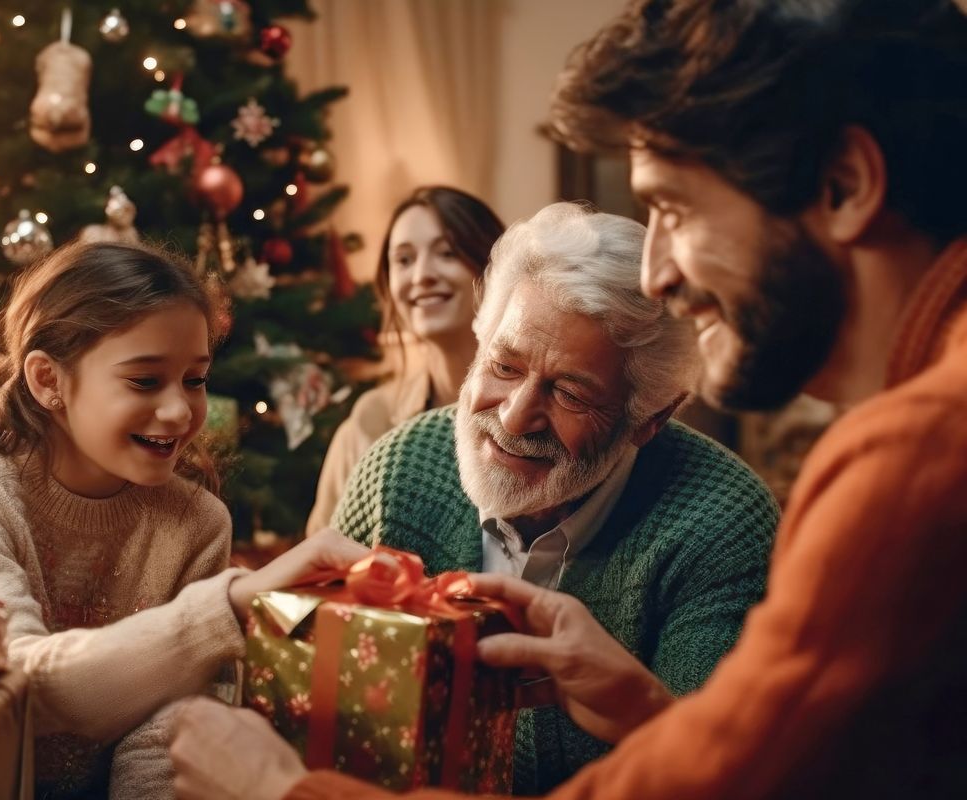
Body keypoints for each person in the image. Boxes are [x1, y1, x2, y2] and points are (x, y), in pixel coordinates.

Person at [165, 0, 967, 798]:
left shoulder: (914, 460)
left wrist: (281, 792)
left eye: (674, 208)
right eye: (506, 365)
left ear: (845, 185)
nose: (660, 274)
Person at [0, 240, 369, 799]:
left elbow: (169, 730)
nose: (181, 411)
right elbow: (18, 695)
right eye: (144, 380)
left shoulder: (197, 522)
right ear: (47, 381)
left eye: (195, 379)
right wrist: (230, 605)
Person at [328, 203, 777, 791]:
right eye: (505, 366)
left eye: (569, 393)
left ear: (649, 419)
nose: (515, 419)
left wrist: (636, 707)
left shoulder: (722, 526)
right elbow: (322, 700)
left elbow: (721, 776)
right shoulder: (398, 470)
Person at [306, 186, 505, 535]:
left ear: (494, 270)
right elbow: (321, 562)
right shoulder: (371, 421)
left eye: (447, 253)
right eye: (404, 260)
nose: (421, 275)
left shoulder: (533, 413)